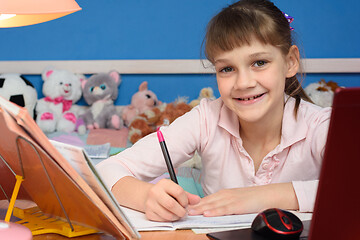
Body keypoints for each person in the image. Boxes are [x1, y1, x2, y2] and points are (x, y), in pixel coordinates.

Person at [96, 0, 331, 222]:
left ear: (290, 62)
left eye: (259, 63)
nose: (243, 83)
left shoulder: (321, 126)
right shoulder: (206, 119)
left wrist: (257, 197)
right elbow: (105, 171)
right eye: (227, 68)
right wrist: (148, 197)